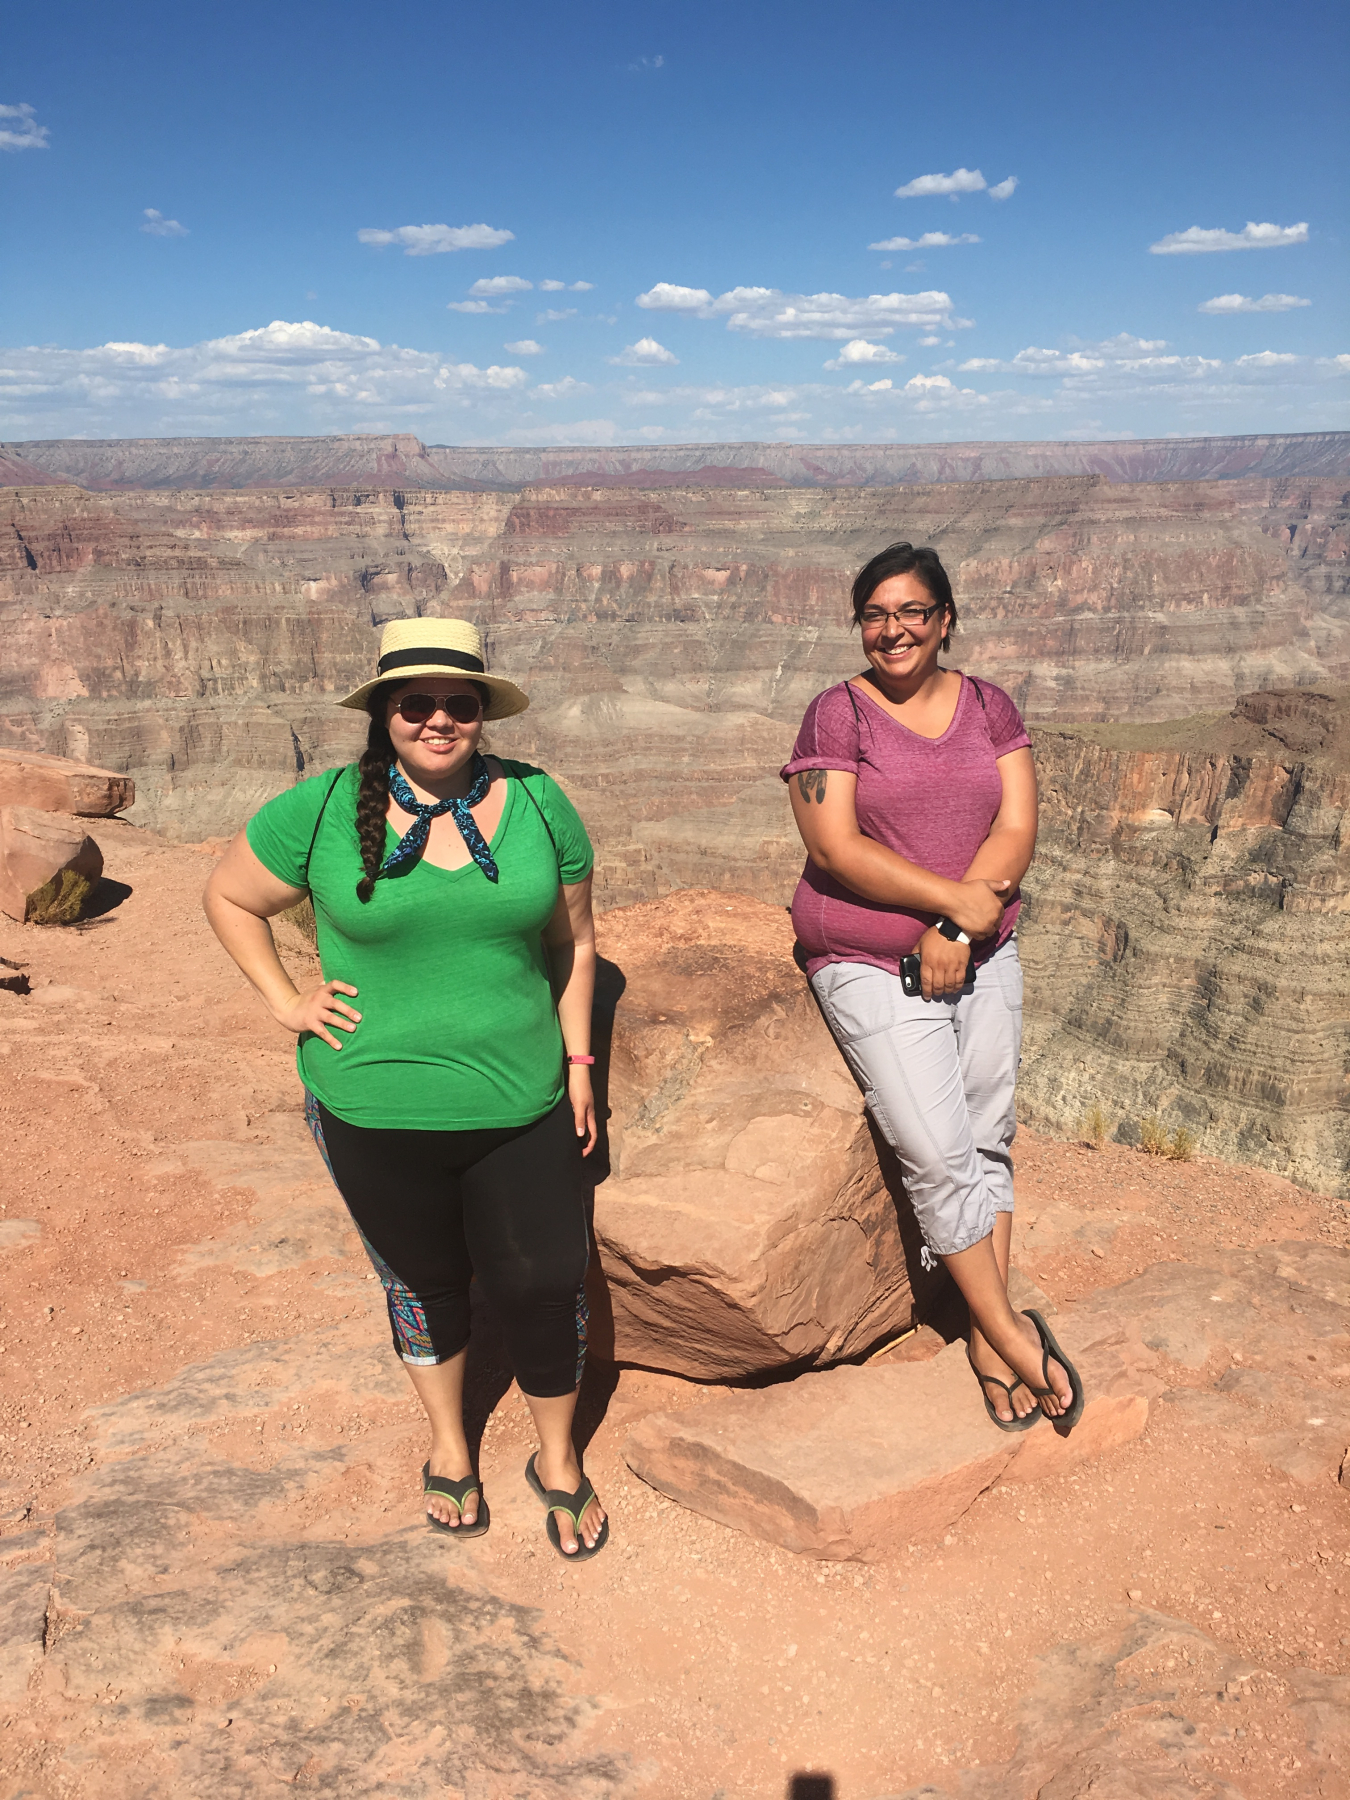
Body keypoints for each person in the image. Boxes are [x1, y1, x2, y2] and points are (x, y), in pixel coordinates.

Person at [203, 618, 609, 1557]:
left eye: (457, 704)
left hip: (523, 1099)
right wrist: (285, 1002)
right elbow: (229, 895)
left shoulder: (541, 803)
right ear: (383, 711)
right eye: (413, 702)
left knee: (545, 1282)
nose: (437, 720)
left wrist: (582, 1063)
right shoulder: (319, 808)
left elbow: (573, 943)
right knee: (423, 1285)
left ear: (483, 713)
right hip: (371, 1105)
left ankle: (556, 1459)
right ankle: (450, 1445)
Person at [781, 542, 1084, 1433]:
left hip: (983, 952)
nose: (895, 629)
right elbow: (834, 848)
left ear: (946, 619)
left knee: (987, 1136)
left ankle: (985, 1341)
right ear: (858, 626)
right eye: (876, 615)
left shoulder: (989, 704)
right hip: (870, 961)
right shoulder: (837, 716)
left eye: (913, 612)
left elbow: (1016, 823)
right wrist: (946, 902)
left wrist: (959, 924)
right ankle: (1013, 1334)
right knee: (938, 1154)